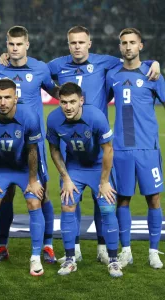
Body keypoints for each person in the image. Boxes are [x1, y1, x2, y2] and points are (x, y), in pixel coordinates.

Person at [0, 25, 161, 264]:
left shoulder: (105, 62)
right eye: (72, 43)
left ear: (89, 43)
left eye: (81, 42)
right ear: (68, 45)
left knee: (102, 196)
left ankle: (103, 246)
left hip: (98, 140)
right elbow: (33, 66)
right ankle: (73, 247)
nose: (77, 47)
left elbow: (131, 57)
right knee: (70, 196)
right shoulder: (56, 65)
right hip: (69, 140)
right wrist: (7, 57)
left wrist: (152, 62)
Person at [0, 26, 58, 263]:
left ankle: (47, 245)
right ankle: (2, 245)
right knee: (5, 194)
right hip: (5, 144)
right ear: (6, 45)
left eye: (19, 44)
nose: (15, 48)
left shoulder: (40, 68)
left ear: (27, 45)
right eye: (11, 44)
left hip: (33, 144)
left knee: (42, 193)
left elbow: (54, 90)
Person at [47, 82, 122, 277]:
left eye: (72, 102)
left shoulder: (96, 117)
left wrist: (104, 182)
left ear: (81, 101)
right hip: (75, 168)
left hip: (98, 167)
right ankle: (71, 259)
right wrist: (66, 178)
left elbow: (108, 150)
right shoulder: (54, 119)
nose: (68, 107)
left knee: (107, 207)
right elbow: (54, 150)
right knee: (67, 205)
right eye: (64, 102)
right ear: (59, 102)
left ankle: (113, 260)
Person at [106, 28, 165, 269]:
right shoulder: (112, 75)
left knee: (154, 199)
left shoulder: (153, 75)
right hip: (122, 148)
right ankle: (126, 250)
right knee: (123, 200)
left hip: (147, 147)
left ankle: (153, 251)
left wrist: (156, 63)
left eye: (132, 42)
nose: (128, 46)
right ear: (120, 47)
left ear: (141, 45)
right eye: (124, 43)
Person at [0, 78, 45, 276]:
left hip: (24, 168)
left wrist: (33, 181)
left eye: (7, 97)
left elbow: (33, 151)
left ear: (16, 98)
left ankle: (35, 258)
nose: (3, 102)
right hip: (1, 169)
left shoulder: (30, 117)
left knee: (34, 202)